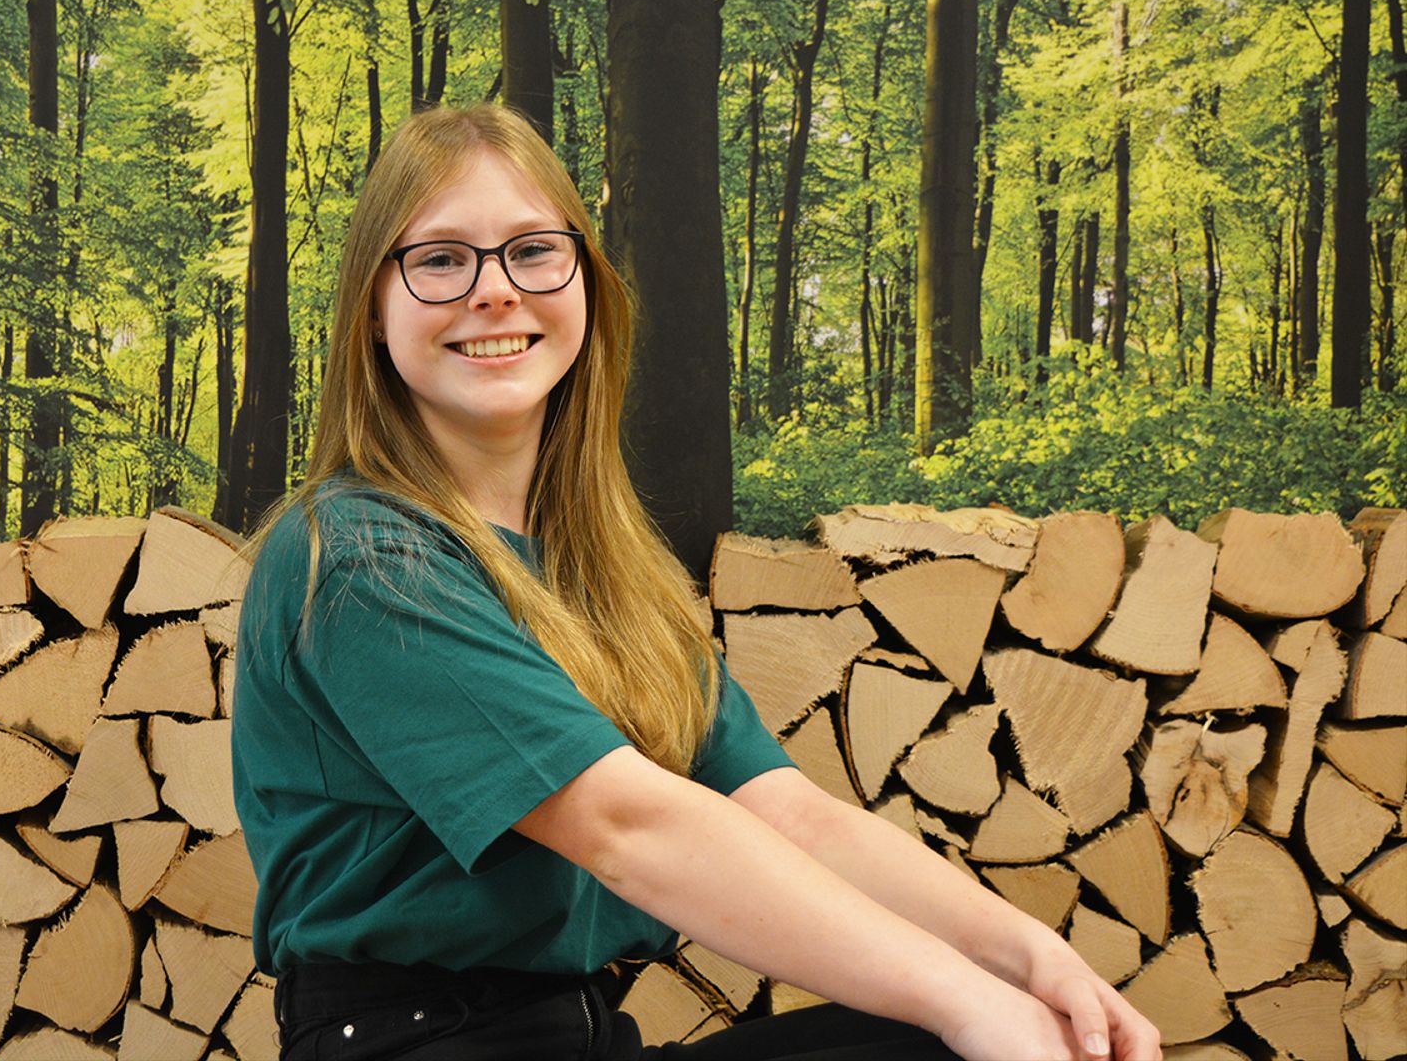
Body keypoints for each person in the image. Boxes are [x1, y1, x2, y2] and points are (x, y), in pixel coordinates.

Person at [229, 103, 1161, 1061]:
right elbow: (624, 822)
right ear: (374, 314)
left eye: (533, 251)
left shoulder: (606, 577)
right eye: (440, 259)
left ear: (584, 286)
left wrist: (1022, 958)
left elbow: (785, 813)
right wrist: (968, 1004)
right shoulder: (354, 554)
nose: (496, 292)